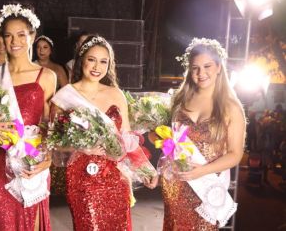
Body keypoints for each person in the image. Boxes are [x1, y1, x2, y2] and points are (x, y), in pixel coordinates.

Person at [51, 35, 157, 230]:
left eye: (103, 61)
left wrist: (145, 169)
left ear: (109, 65)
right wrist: (83, 147)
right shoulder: (64, 96)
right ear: (82, 60)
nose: (96, 67)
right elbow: (53, 142)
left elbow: (128, 140)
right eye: (91, 59)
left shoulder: (115, 93)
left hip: (115, 177)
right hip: (81, 177)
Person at [0, 3, 56, 230]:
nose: (15, 42)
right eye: (8, 36)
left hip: (31, 155)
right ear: (1, 38)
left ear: (32, 36)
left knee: (31, 216)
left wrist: (48, 156)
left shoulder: (47, 76)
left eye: (21, 35)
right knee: (2, 220)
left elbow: (49, 124)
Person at [159, 38, 246, 230]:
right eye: (195, 67)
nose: (201, 73)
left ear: (218, 67)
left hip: (205, 187)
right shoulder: (179, 100)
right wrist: (159, 138)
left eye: (207, 66)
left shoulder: (230, 107)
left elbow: (235, 154)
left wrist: (202, 171)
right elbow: (166, 139)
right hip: (176, 184)